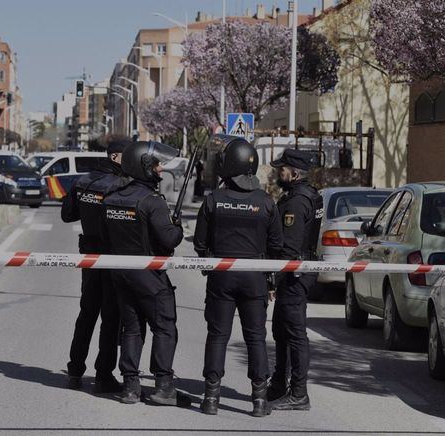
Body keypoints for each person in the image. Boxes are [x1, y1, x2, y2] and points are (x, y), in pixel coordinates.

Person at [193, 135, 283, 417]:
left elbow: (199, 242)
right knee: (256, 337)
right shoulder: (267, 202)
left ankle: (210, 398)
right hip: (254, 277)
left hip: (222, 276)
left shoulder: (213, 200)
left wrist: (210, 263)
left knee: (218, 335)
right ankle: (258, 400)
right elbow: (276, 245)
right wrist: (269, 278)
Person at [101, 141, 188, 406]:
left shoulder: (112, 199)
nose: (161, 169)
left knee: (131, 329)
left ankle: (130, 387)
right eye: (157, 164)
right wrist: (178, 224)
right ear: (144, 167)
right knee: (164, 327)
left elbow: (105, 238)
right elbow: (170, 240)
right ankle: (163, 386)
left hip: (121, 273)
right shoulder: (152, 202)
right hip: (150, 275)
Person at [60, 136, 132, 393]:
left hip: (89, 256)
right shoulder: (122, 184)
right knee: (111, 317)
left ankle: (75, 370)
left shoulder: (83, 181)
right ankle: (103, 375)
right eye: (129, 154)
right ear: (115, 157)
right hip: (112, 256)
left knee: (87, 314)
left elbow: (67, 215)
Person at [268, 149, 323, 411]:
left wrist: (273, 277)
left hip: (295, 273)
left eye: (282, 169)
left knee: (294, 332)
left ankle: (298, 392)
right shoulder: (307, 194)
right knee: (281, 330)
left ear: (295, 172)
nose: (279, 172)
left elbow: (289, 246)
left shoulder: (297, 201)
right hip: (297, 271)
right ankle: (279, 384)